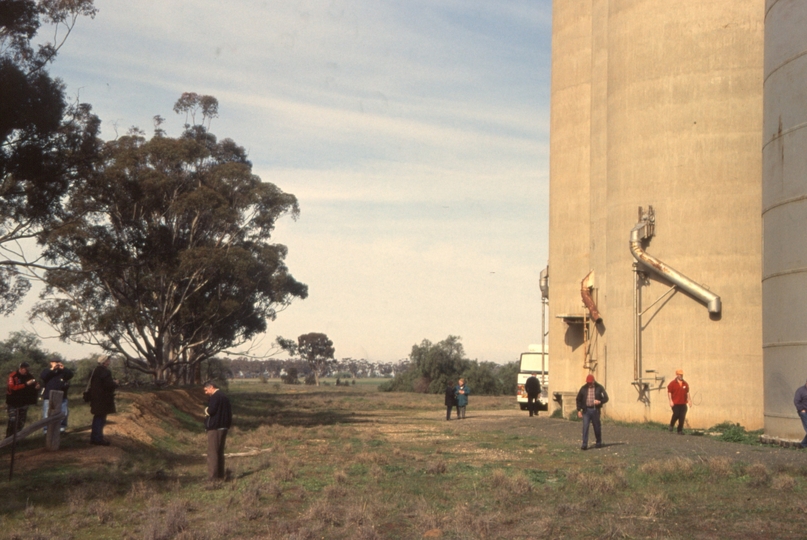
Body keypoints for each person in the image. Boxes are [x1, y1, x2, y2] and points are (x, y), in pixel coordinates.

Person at [204, 381, 232, 480]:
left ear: (211, 387)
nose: (205, 392)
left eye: (206, 390)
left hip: (215, 428)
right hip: (224, 427)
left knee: (212, 453)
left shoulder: (215, 397)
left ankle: (213, 478)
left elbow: (211, 411)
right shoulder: (224, 396)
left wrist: (206, 410)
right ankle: (220, 475)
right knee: (219, 452)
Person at [40, 356, 74, 434]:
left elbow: (70, 375)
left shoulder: (63, 372)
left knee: (64, 413)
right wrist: (52, 369)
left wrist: (64, 368)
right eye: (55, 362)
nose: (57, 364)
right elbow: (43, 376)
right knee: (46, 414)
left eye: (58, 362)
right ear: (51, 363)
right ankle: (46, 430)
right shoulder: (47, 371)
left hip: (62, 396)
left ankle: (61, 429)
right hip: (49, 396)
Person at [88, 355, 117, 446]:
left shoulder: (94, 371)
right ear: (104, 362)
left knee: (97, 416)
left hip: (95, 397)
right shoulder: (105, 372)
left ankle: (95, 437)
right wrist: (115, 383)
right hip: (103, 398)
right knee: (101, 418)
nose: (109, 361)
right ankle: (98, 438)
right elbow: (108, 385)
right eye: (108, 360)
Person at [6, 362, 40, 438]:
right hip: (13, 402)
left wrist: (37, 386)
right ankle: (8, 438)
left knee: (21, 422)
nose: (27, 371)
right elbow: (12, 387)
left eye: (28, 369)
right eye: (25, 369)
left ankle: (17, 438)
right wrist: (26, 384)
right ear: (21, 368)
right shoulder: (13, 376)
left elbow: (35, 384)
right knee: (13, 420)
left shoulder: (30, 376)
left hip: (24, 402)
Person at [576, 374, 608, 450]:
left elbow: (606, 398)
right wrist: (579, 410)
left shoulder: (599, 388)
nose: (589, 384)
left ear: (593, 381)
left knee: (597, 427)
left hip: (595, 410)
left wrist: (599, 401)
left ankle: (598, 442)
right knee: (585, 427)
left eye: (590, 382)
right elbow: (578, 399)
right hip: (586, 410)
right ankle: (584, 444)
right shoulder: (583, 388)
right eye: (588, 382)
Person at [667, 369, 692, 434]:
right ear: (677, 375)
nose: (681, 376)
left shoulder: (685, 383)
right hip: (675, 403)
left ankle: (679, 430)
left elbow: (687, 392)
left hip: (683, 403)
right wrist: (670, 401)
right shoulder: (672, 383)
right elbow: (669, 392)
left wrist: (689, 400)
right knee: (676, 414)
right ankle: (671, 425)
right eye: (679, 374)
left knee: (682, 417)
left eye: (681, 374)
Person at [794, 379, 807, 449]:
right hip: (804, 412)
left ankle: (802, 445)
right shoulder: (800, 391)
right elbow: (796, 401)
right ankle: (803, 445)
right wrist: (801, 409)